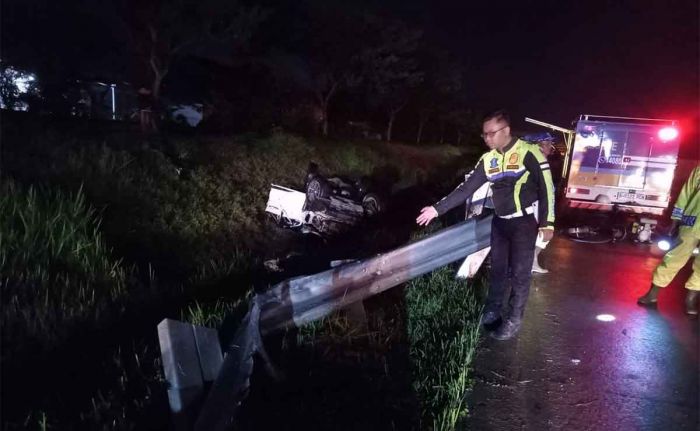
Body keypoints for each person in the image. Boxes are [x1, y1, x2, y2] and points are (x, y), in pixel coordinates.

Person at [416, 110, 556, 340]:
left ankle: (513, 319)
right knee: (497, 271)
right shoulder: (487, 159)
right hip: (499, 223)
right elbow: (465, 189)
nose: (488, 139)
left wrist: (547, 223)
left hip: (523, 223)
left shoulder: (529, 153)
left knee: (520, 274)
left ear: (506, 131)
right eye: (484, 135)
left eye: (491, 134)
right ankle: (492, 311)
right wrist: (436, 209)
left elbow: (546, 187)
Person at [638, 165, 700, 315]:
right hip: (692, 222)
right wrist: (676, 219)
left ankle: (690, 300)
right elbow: (686, 193)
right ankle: (652, 294)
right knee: (674, 258)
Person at [531, 137, 564, 274]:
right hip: (535, 203)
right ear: (540, 145)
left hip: (542, 203)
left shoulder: (545, 160)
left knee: (543, 235)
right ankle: (530, 262)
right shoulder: (534, 161)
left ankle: (531, 261)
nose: (551, 147)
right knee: (542, 234)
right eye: (548, 144)